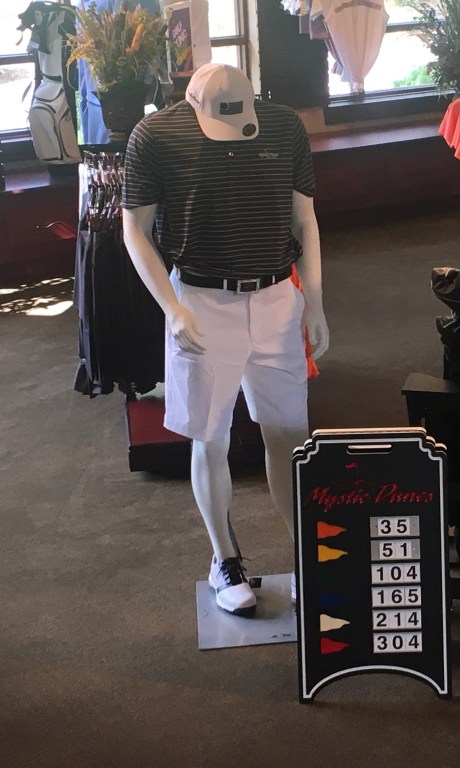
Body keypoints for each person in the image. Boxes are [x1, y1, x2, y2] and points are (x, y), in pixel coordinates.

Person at [122, 63, 329, 617]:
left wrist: (314, 300)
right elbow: (134, 228)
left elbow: (305, 220)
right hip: (202, 301)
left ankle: (306, 554)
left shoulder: (283, 126)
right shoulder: (156, 136)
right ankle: (224, 558)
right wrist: (171, 307)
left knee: (289, 435)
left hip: (277, 299)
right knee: (210, 435)